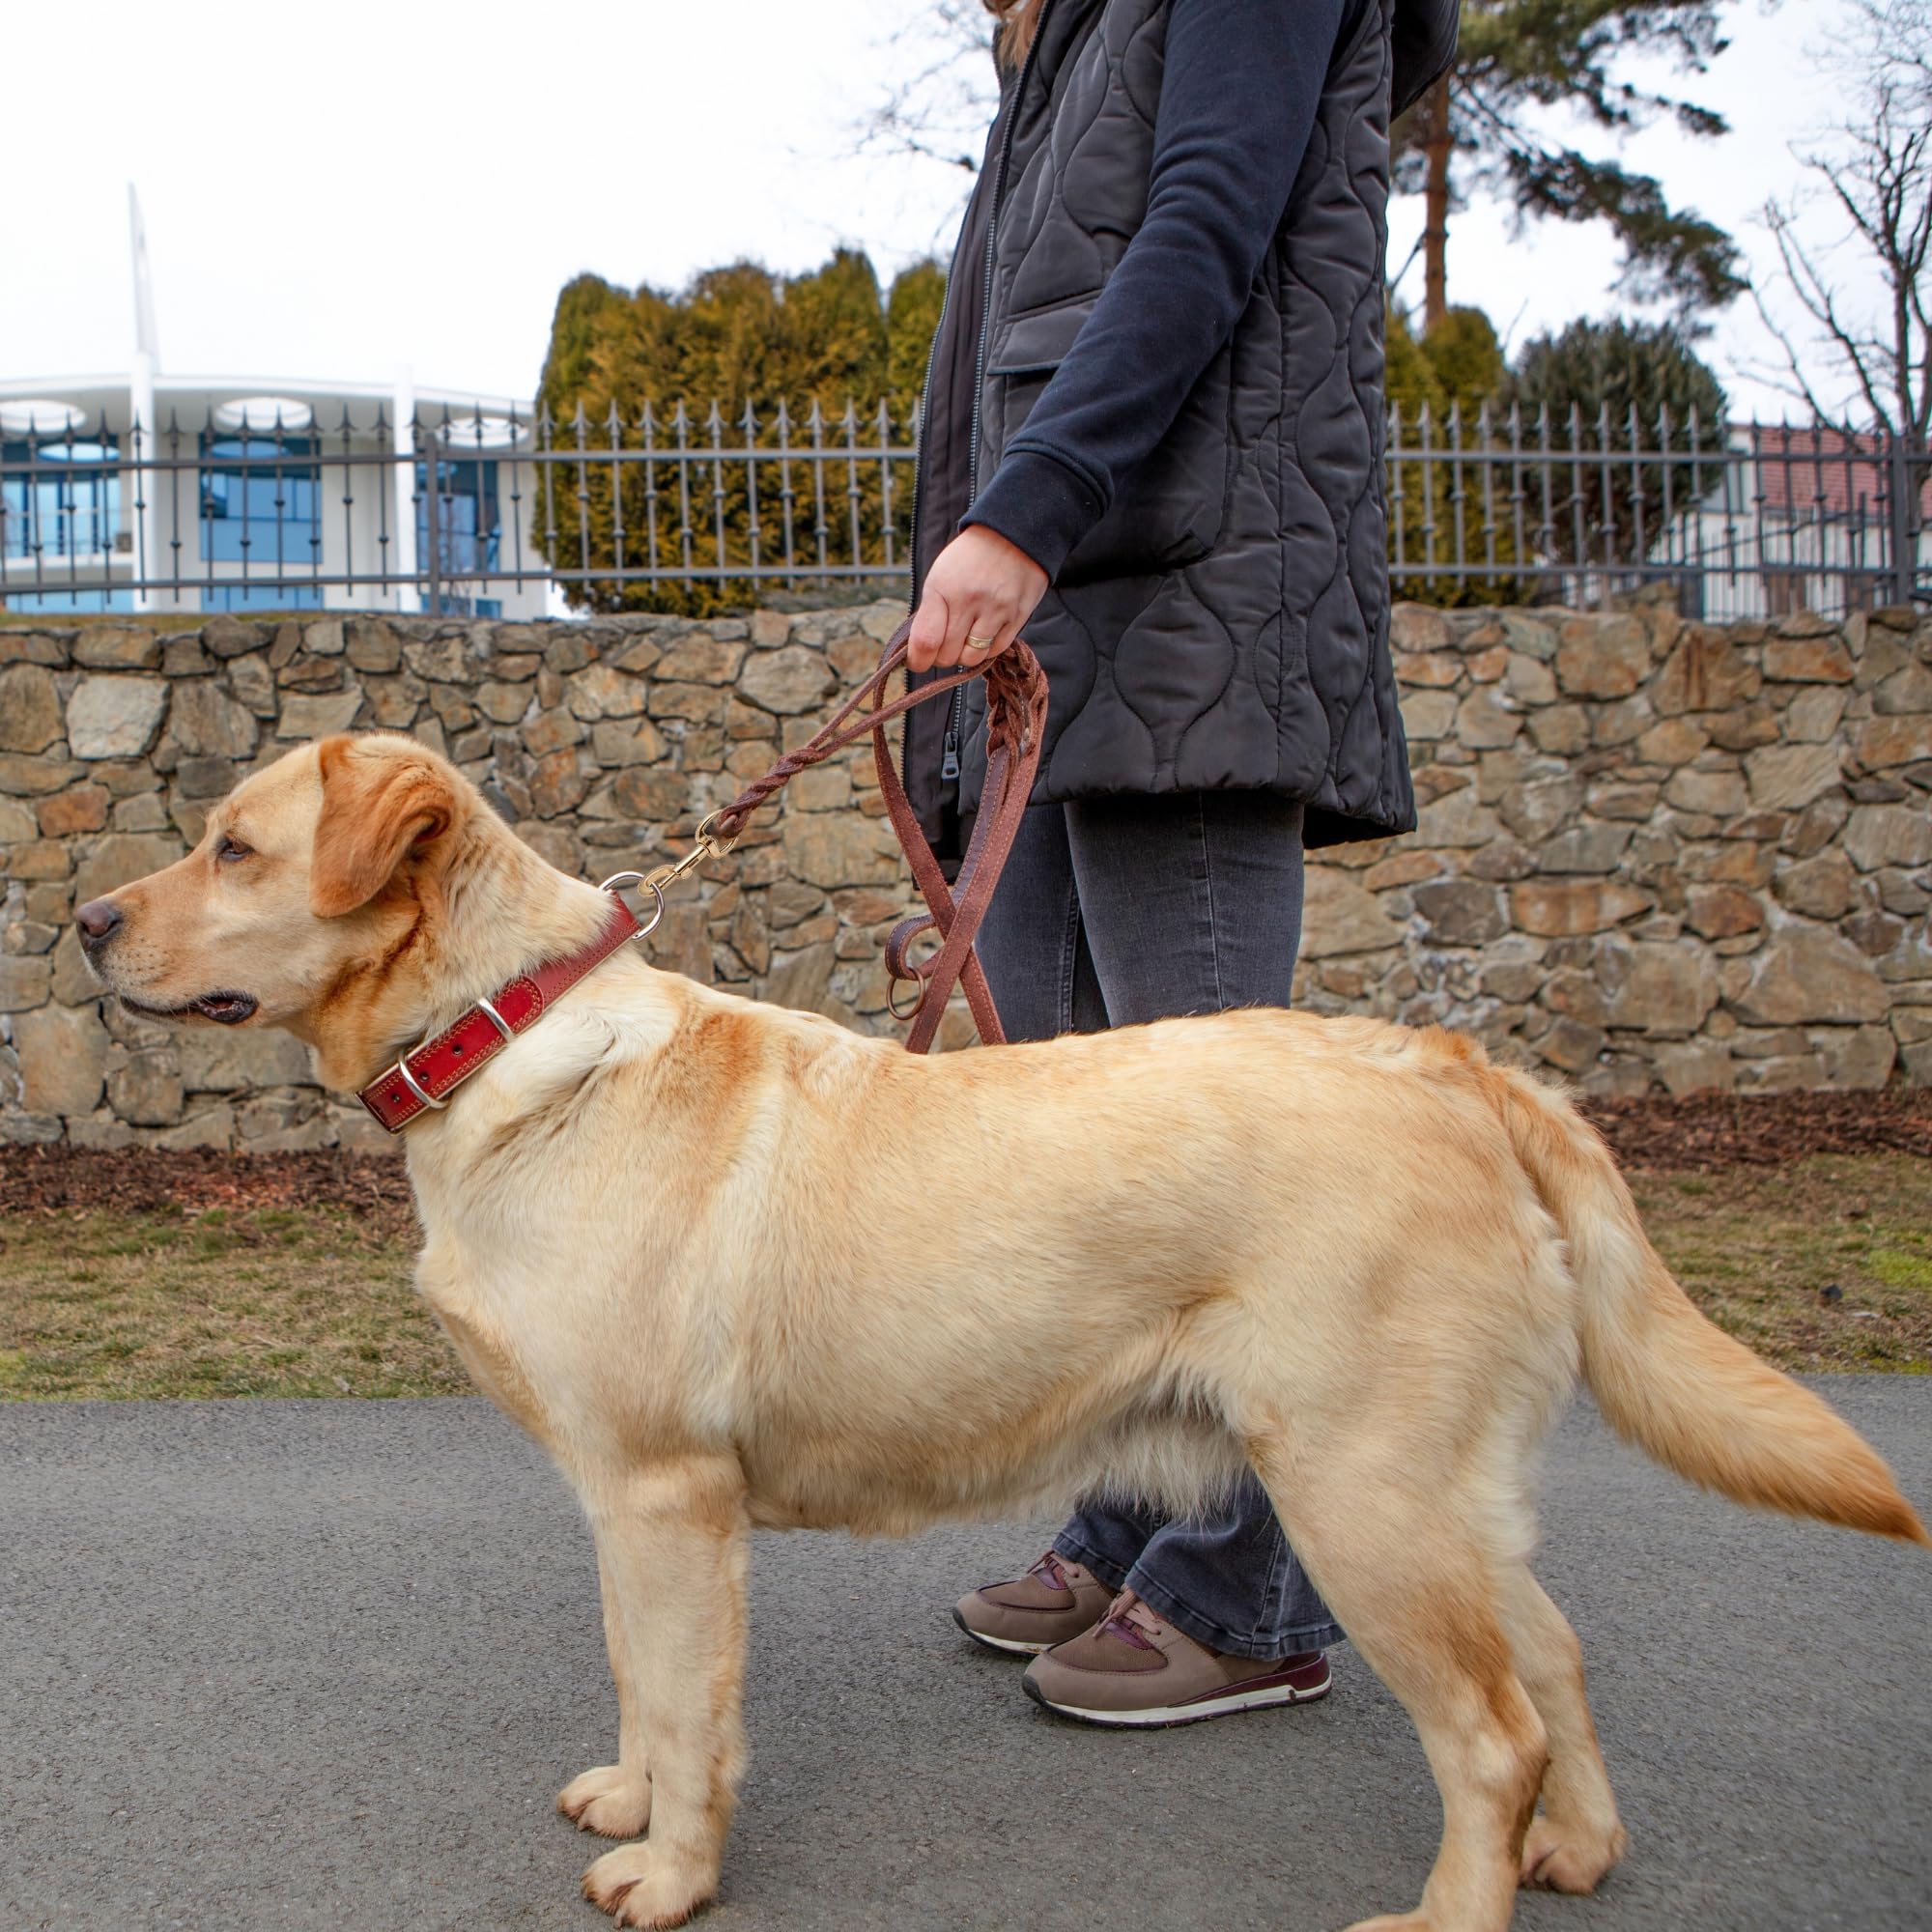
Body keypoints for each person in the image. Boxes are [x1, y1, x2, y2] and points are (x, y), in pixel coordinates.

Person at [900, 0, 1460, 1727]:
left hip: (1188, 577)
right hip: (1097, 599)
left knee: (1232, 1159)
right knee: (1094, 1139)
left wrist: (1028, 503)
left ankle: (1254, 1593)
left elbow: (1210, 217)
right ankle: (1145, 1513)